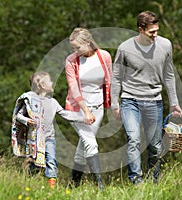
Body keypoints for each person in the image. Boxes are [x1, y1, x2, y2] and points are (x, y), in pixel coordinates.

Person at [110, 11, 182, 185]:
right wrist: (114, 104)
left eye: (157, 30)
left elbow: (169, 75)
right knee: (133, 139)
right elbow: (117, 76)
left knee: (155, 146)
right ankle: (136, 181)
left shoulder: (165, 45)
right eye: (152, 32)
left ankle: (154, 180)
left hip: (154, 100)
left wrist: (174, 103)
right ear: (140, 30)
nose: (155, 35)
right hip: (130, 100)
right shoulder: (125, 48)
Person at [12, 71, 84, 188]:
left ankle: (51, 187)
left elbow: (66, 115)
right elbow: (19, 116)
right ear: (42, 86)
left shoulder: (53, 102)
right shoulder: (30, 102)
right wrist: (27, 121)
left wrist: (83, 118)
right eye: (49, 81)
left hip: (49, 138)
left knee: (51, 161)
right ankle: (31, 183)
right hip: (35, 140)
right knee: (34, 164)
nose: (52, 83)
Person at [64, 27, 112, 190]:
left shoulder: (104, 56)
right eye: (73, 48)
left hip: (98, 108)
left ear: (88, 42)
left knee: (83, 148)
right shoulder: (71, 60)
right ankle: (101, 187)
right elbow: (73, 87)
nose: (75, 51)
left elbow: (110, 82)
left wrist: (114, 106)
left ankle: (72, 186)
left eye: (78, 47)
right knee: (91, 144)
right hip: (77, 109)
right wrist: (85, 110)